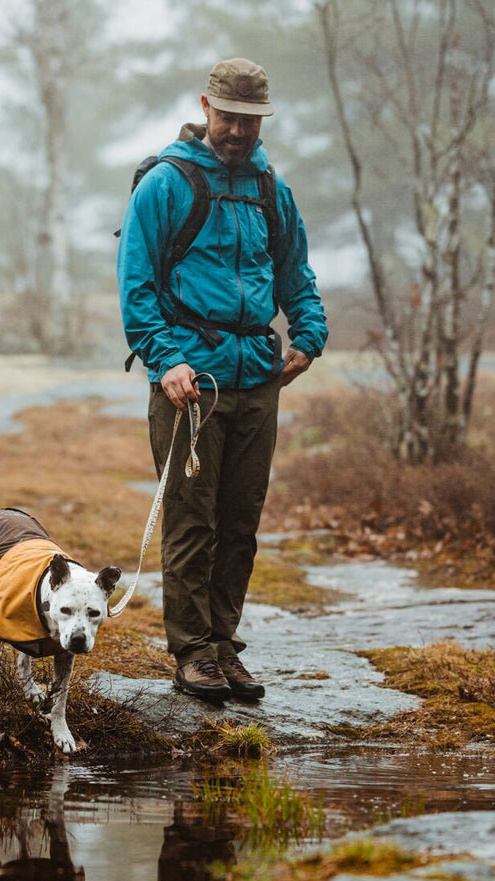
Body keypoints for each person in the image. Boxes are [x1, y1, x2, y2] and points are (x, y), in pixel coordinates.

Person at [117, 57, 327, 702]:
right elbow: (136, 283)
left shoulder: (270, 187)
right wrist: (164, 359)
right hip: (191, 383)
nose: (239, 131)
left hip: (258, 380)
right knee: (192, 521)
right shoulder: (165, 183)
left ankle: (225, 646)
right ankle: (192, 653)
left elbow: (295, 272)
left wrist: (309, 335)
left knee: (240, 521)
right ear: (205, 108)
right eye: (229, 117)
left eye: (251, 120)